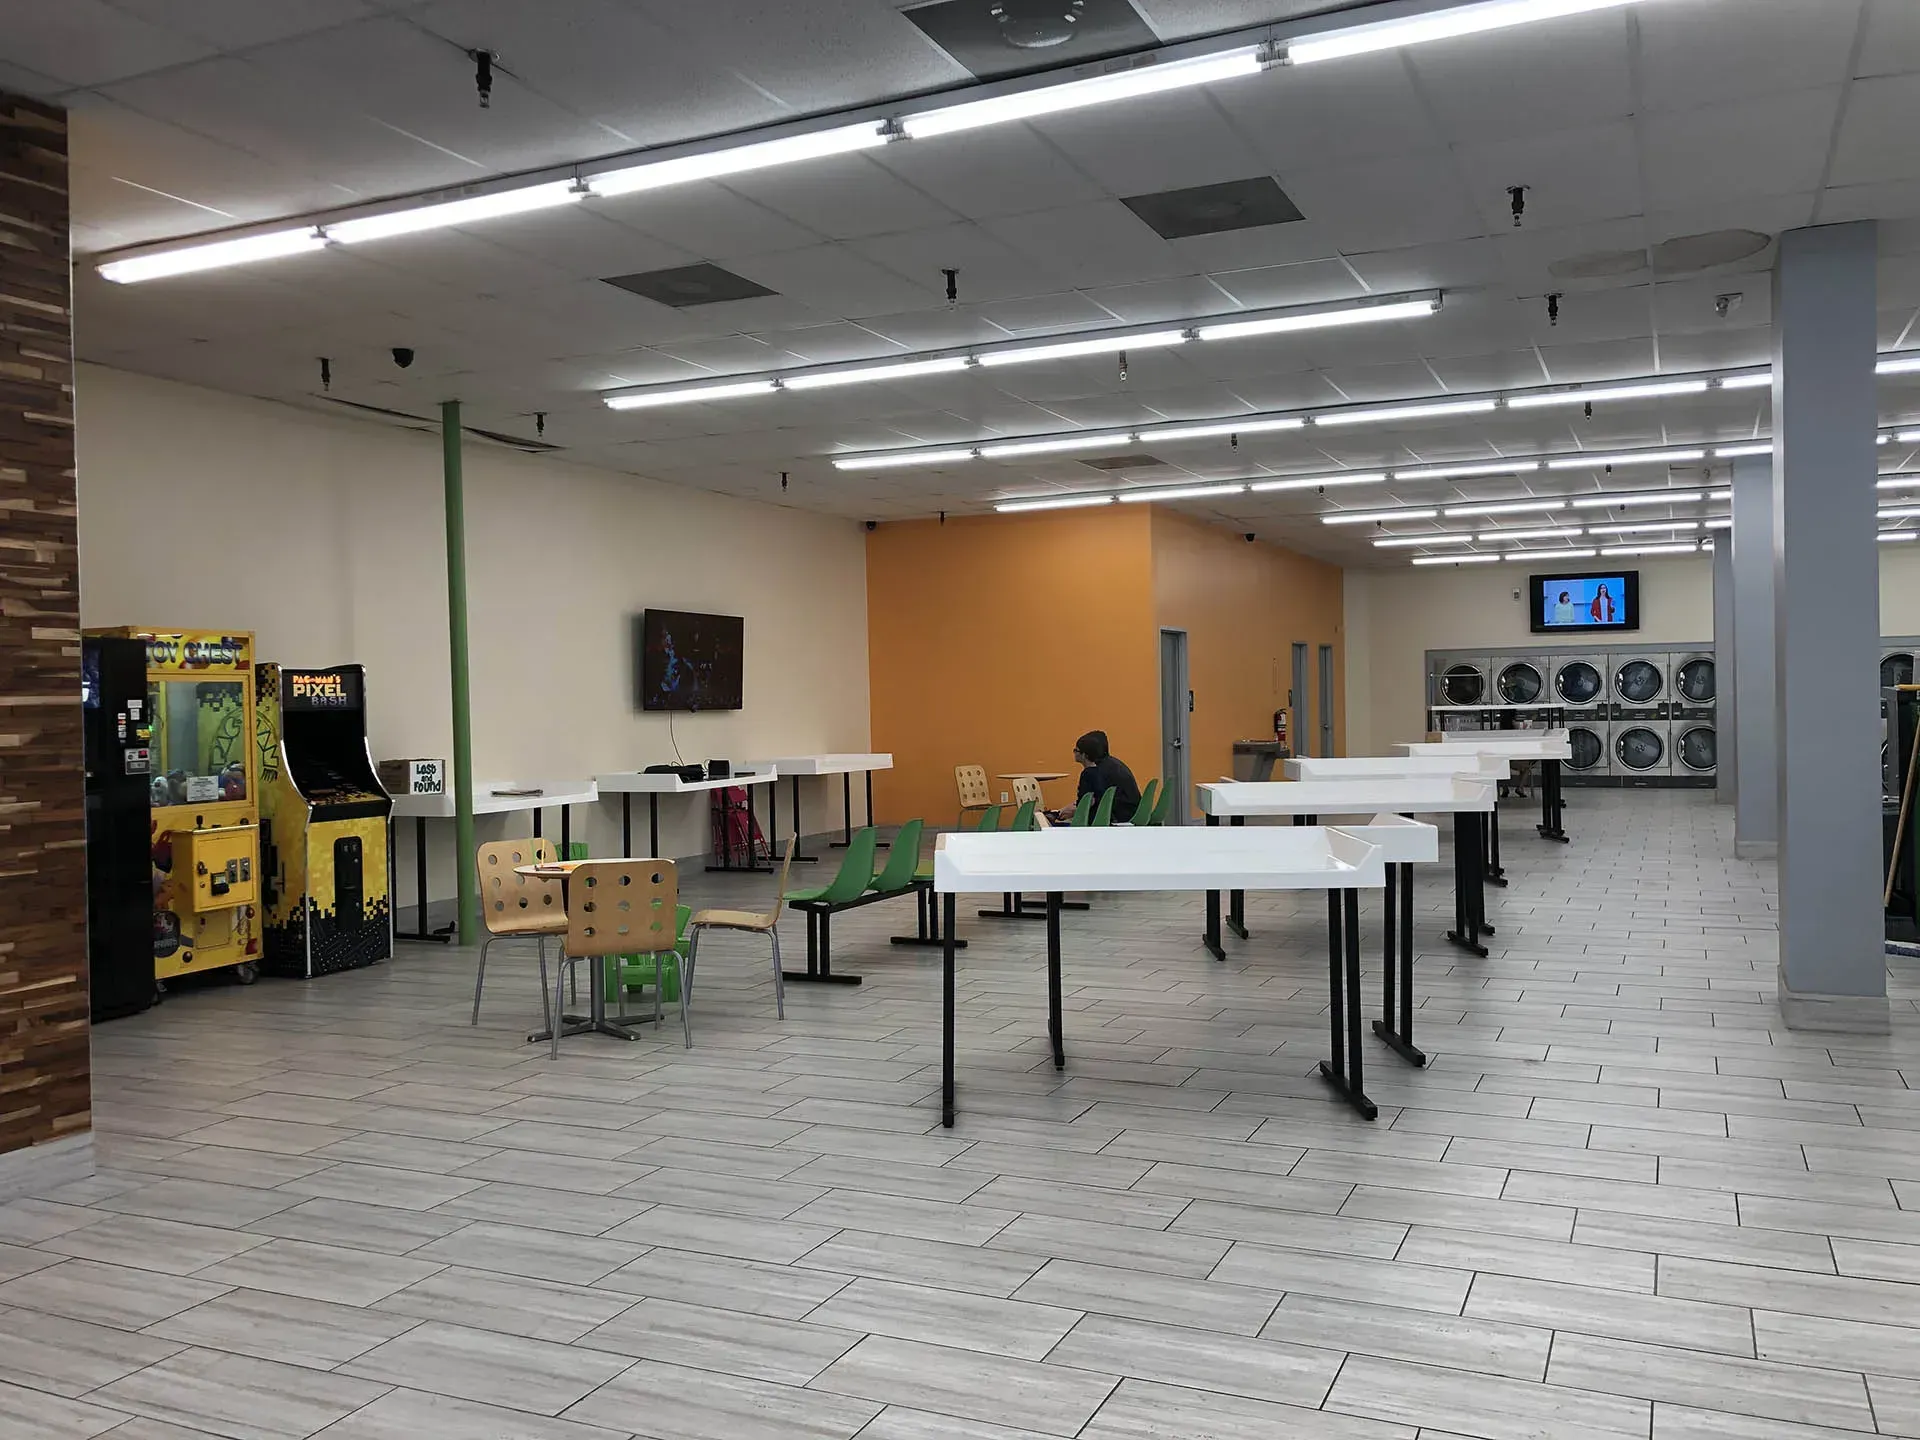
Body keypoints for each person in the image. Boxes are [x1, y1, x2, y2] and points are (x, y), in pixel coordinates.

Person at [1052, 730, 1140, 824]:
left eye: (1076, 750)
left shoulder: (1094, 772)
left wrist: (1063, 812)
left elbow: (1089, 802)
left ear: (1084, 754)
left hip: (1118, 816)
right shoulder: (1112, 764)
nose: (1074, 753)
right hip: (1128, 812)